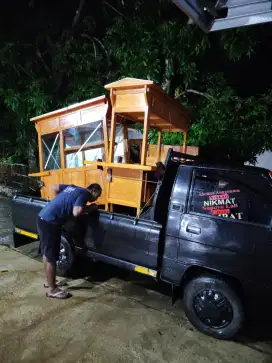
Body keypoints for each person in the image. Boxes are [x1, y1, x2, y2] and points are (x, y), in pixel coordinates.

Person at [37, 183, 102, 299]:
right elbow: (76, 212)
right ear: (92, 191)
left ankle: (49, 281)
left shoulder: (73, 187)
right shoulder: (85, 194)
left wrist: (58, 204)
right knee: (51, 256)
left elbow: (55, 187)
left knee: (47, 253)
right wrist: (91, 208)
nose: (96, 199)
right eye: (97, 196)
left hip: (43, 217)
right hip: (51, 222)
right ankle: (53, 290)